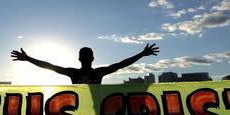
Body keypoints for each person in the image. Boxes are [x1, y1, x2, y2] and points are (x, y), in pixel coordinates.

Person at [10, 43, 159, 84]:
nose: (86, 58)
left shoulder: (98, 73)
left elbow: (121, 64)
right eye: (84, 56)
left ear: (92, 59)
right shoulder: (75, 73)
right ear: (80, 59)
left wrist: (141, 54)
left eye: (88, 56)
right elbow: (49, 66)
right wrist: (28, 59)